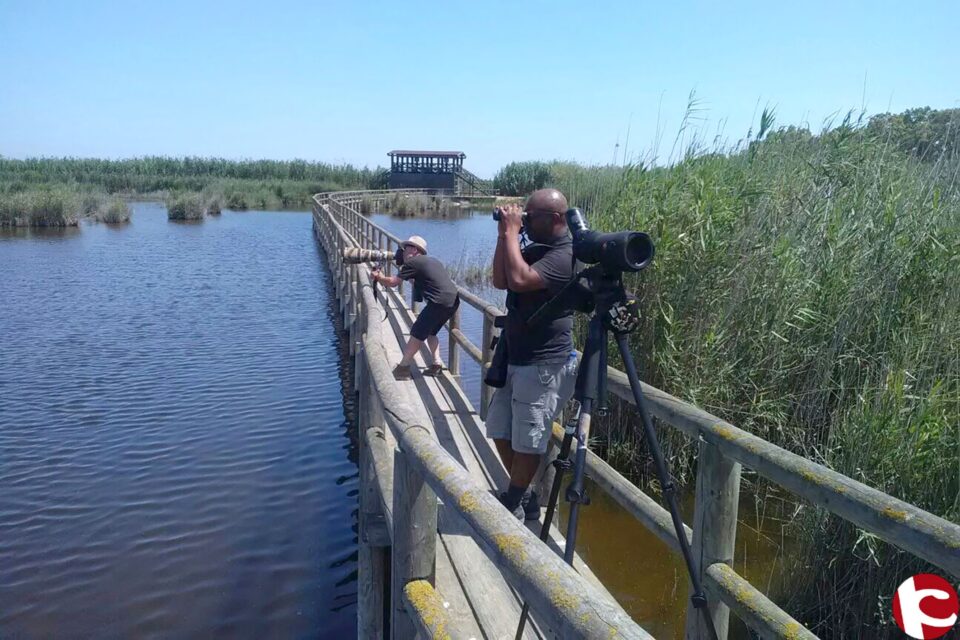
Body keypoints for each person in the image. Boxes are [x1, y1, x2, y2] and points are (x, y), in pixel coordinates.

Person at [488, 189, 578, 520]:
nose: (524, 220)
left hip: (544, 363)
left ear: (555, 219)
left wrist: (513, 232)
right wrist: (504, 235)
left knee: (529, 439)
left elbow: (520, 279)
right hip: (516, 356)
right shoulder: (537, 249)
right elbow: (501, 280)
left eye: (531, 216)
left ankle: (512, 503)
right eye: (522, 215)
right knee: (498, 428)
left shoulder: (565, 255)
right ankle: (525, 494)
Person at [371, 235, 460, 381]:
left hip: (438, 302)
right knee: (431, 332)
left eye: (405, 248)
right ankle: (437, 364)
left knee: (417, 333)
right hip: (453, 301)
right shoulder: (432, 261)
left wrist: (378, 277)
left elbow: (393, 282)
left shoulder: (413, 262)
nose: (402, 252)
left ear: (414, 249)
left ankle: (403, 368)